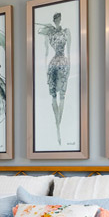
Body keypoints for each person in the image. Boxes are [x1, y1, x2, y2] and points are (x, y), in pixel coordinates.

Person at [36, 12, 71, 145]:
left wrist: (69, 66)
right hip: (53, 63)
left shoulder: (66, 31)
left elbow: (69, 50)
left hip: (63, 63)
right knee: (53, 95)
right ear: (54, 20)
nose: (58, 21)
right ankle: (57, 128)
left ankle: (58, 128)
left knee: (62, 95)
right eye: (56, 19)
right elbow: (45, 50)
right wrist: (47, 28)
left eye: (59, 19)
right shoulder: (49, 33)